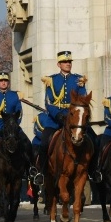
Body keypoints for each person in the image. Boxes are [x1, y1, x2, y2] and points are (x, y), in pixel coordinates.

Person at [36, 51, 91, 185]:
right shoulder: (52, 80)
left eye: (69, 62)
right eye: (65, 62)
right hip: (55, 120)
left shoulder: (79, 80)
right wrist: (58, 115)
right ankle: (41, 173)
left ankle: (94, 171)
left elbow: (83, 100)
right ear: (59, 64)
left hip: (74, 119)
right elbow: (48, 102)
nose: (68, 64)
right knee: (43, 143)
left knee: (93, 139)